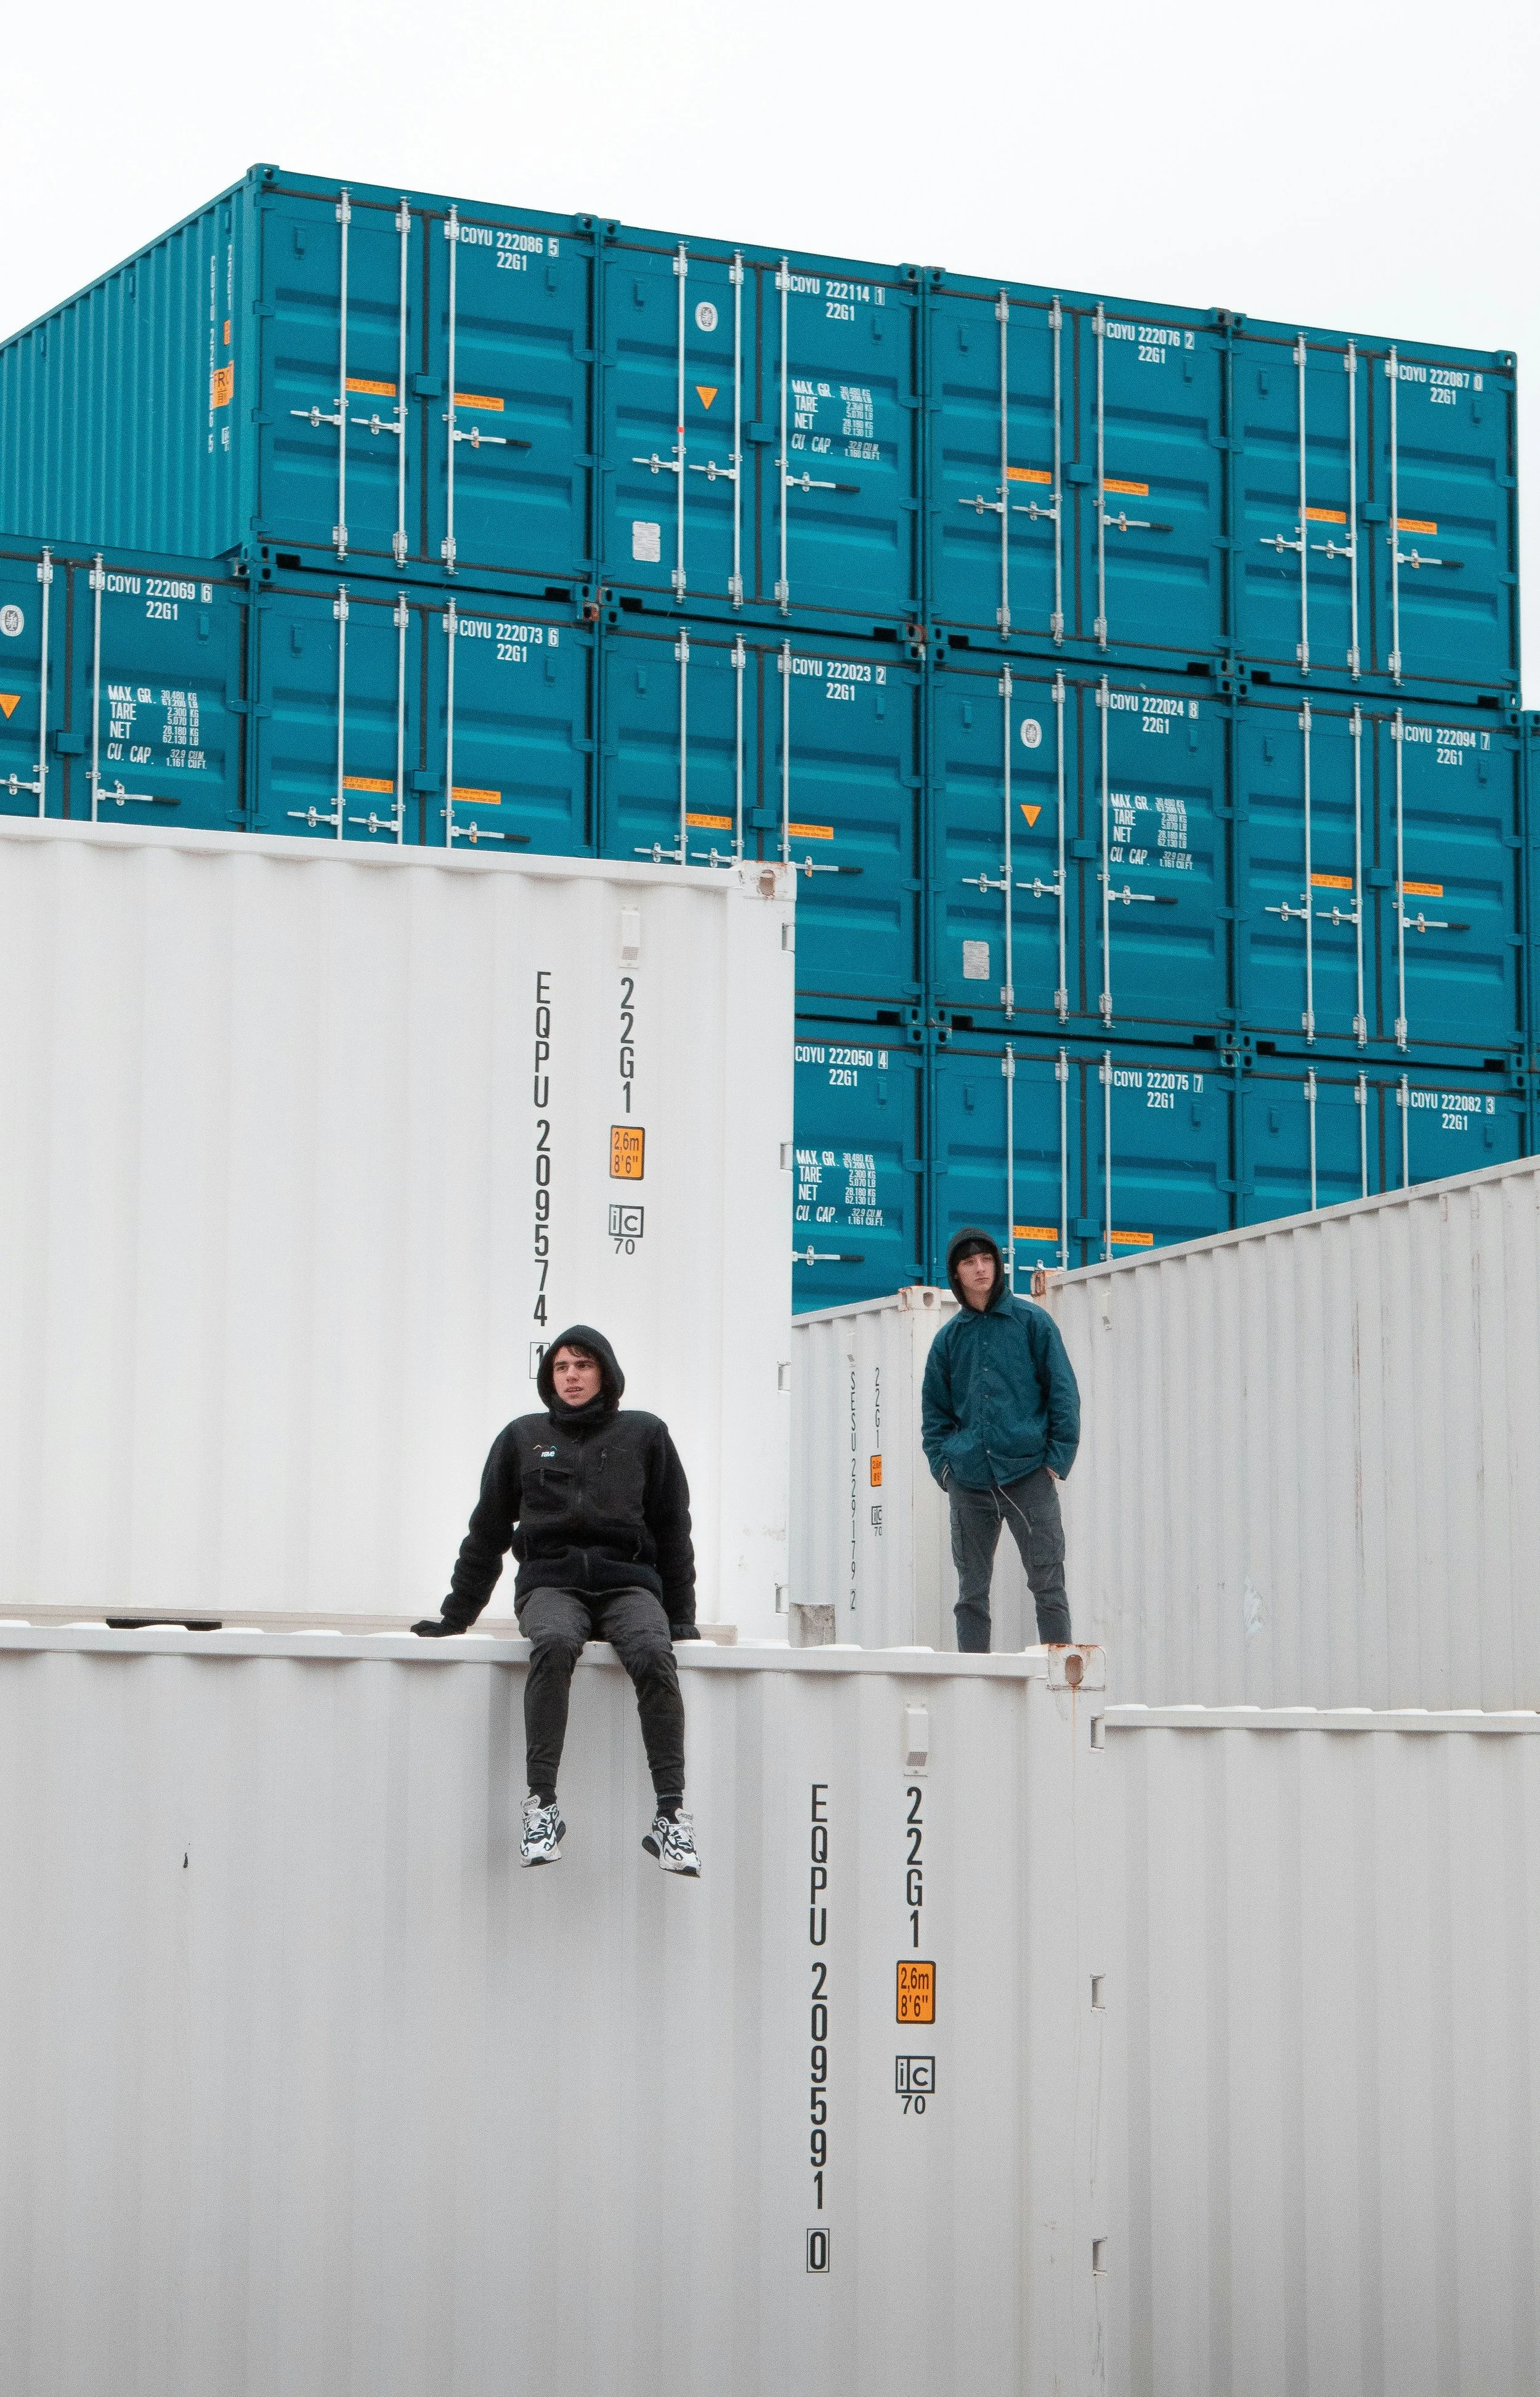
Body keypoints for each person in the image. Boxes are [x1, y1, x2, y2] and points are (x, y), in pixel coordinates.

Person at [413, 1325, 702, 1875]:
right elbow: (488, 1531)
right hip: (552, 1584)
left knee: (652, 1650)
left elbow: (673, 1529)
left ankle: (671, 1818)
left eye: (583, 1365)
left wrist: (681, 1616)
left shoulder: (645, 1434)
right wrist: (456, 1616)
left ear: (605, 1373)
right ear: (550, 1377)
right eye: (561, 1367)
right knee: (552, 1641)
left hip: (628, 1583)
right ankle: (541, 1806)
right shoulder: (522, 1437)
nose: (571, 1376)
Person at [920, 1228, 1080, 1653]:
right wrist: (945, 1468)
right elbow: (934, 1414)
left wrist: (1055, 1462)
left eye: (987, 1260)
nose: (981, 1268)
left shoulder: (1033, 1323)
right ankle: (974, 1689)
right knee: (971, 1594)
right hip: (969, 1481)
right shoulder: (948, 1341)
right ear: (956, 1273)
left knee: (1049, 1584)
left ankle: (1060, 1689)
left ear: (998, 1265)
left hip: (1029, 1475)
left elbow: (1063, 1393)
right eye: (970, 1262)